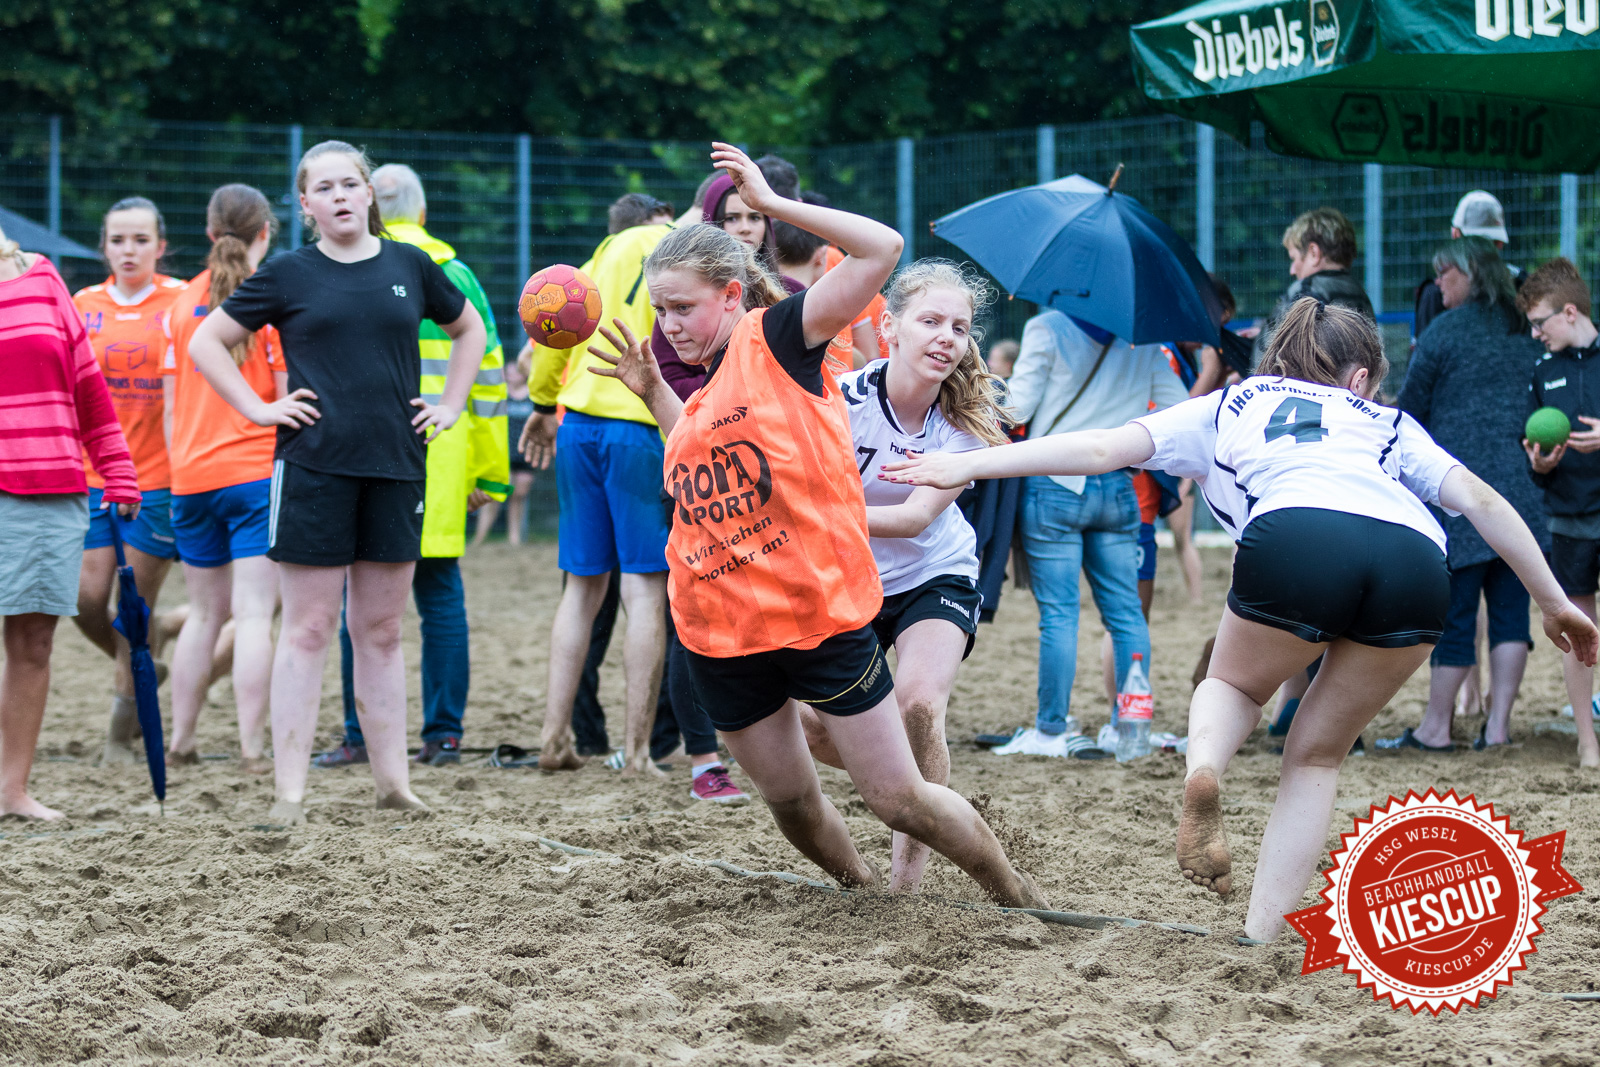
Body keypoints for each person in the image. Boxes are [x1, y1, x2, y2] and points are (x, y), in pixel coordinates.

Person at [882, 297, 1597, 941]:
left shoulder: (1231, 402)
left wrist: (973, 464)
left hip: (1297, 531)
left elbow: (1101, 448)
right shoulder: (1384, 419)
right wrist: (1555, 601)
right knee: (1316, 754)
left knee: (1234, 688)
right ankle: (1263, 932)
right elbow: (1482, 501)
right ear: (1359, 379)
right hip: (1414, 560)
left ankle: (1203, 769)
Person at [588, 143, 1045, 907]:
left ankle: (1012, 889)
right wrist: (653, 394)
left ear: (732, 296)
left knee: (899, 798)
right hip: (719, 630)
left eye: (681, 307)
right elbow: (703, 469)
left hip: (815, 617)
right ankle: (868, 892)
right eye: (658, 310)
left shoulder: (780, 339)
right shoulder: (700, 388)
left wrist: (770, 206)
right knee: (792, 802)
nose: (666, 327)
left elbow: (885, 249)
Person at [186, 140, 487, 824]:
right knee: (309, 628)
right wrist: (260, 408)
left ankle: (393, 784)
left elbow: (468, 329)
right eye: (325, 188)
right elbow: (207, 342)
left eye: (351, 183)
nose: (342, 196)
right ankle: (290, 792)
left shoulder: (411, 264)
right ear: (305, 205)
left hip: (397, 464)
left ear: (369, 193)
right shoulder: (290, 274)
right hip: (313, 467)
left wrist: (452, 404)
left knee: (380, 630)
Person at [798, 259, 1010, 891]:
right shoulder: (839, 398)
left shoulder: (965, 423)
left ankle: (906, 879)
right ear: (888, 326)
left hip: (934, 574)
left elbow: (918, 520)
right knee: (807, 726)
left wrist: (818, 516)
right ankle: (902, 782)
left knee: (918, 704)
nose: (947, 336)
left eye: (960, 327)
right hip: (851, 577)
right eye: (931, 321)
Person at [317, 163, 509, 769]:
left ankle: (357, 735)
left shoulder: (347, 264)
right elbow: (489, 379)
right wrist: (489, 472)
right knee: (440, 595)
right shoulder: (454, 273)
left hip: (361, 456)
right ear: (422, 213)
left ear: (372, 204)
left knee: (359, 602)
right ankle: (443, 735)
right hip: (443, 457)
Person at [995, 308, 1188, 756]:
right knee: (1126, 616)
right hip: (1118, 483)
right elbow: (1178, 407)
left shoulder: (1046, 326)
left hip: (1054, 480)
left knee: (1060, 616)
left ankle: (1051, 731)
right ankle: (1132, 729)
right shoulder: (1141, 339)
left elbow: (1016, 407)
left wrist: (982, 385)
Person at [1381, 237, 1548, 753]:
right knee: (1510, 615)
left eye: (1446, 274)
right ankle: (1497, 730)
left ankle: (1436, 728)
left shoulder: (1442, 332)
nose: (1438, 284)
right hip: (1523, 492)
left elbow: (1411, 411)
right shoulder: (1527, 331)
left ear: (1470, 275)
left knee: (1455, 616)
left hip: (1459, 495)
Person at [521, 213, 672, 773]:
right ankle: (636, 753)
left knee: (580, 590)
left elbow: (550, 332)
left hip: (578, 422)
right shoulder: (676, 246)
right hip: (638, 422)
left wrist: (540, 403)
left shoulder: (600, 253)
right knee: (643, 592)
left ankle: (553, 738)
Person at [0, 225, 140, 819]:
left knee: (32, 642)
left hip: (47, 488)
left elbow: (87, 386)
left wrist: (118, 467)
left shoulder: (42, 276)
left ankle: (11, 792)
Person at [163, 184, 286, 771]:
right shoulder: (276, 305)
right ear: (267, 232)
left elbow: (169, 410)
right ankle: (251, 749)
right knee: (256, 615)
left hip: (189, 477)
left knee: (204, 615)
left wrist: (179, 469)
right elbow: (287, 402)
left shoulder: (176, 307)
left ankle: (180, 741)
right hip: (254, 475)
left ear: (210, 233)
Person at [69, 197, 188, 763]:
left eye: (141, 239)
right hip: (92, 475)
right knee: (85, 602)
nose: (129, 250)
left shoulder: (183, 300)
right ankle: (147, 655)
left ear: (160, 246)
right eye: (118, 240)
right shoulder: (82, 304)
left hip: (160, 480)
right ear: (104, 246)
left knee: (132, 605)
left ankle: (120, 737)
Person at [1521, 257, 1600, 769]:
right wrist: (1541, 464)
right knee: (1578, 626)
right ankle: (1587, 741)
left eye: (1540, 322)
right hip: (1569, 515)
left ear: (1569, 312)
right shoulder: (1541, 372)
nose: (1535, 334)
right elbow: (1528, 453)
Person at [1255, 208, 1373, 358]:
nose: (1292, 270)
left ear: (1313, 253)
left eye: (1293, 258)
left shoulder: (1307, 291)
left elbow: (1294, 355)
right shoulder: (1359, 294)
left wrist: (1263, 341)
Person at [1414, 191, 1521, 343]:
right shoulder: (1521, 285)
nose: (1483, 252)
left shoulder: (1436, 294)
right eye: (1475, 243)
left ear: (1455, 234)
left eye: (1490, 243)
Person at [472, 348, 535, 546]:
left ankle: (514, 538)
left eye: (513, 372)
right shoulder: (500, 394)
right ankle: (479, 538)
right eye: (507, 373)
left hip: (525, 453)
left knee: (520, 494)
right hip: (502, 453)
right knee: (496, 494)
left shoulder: (533, 395)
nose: (510, 375)